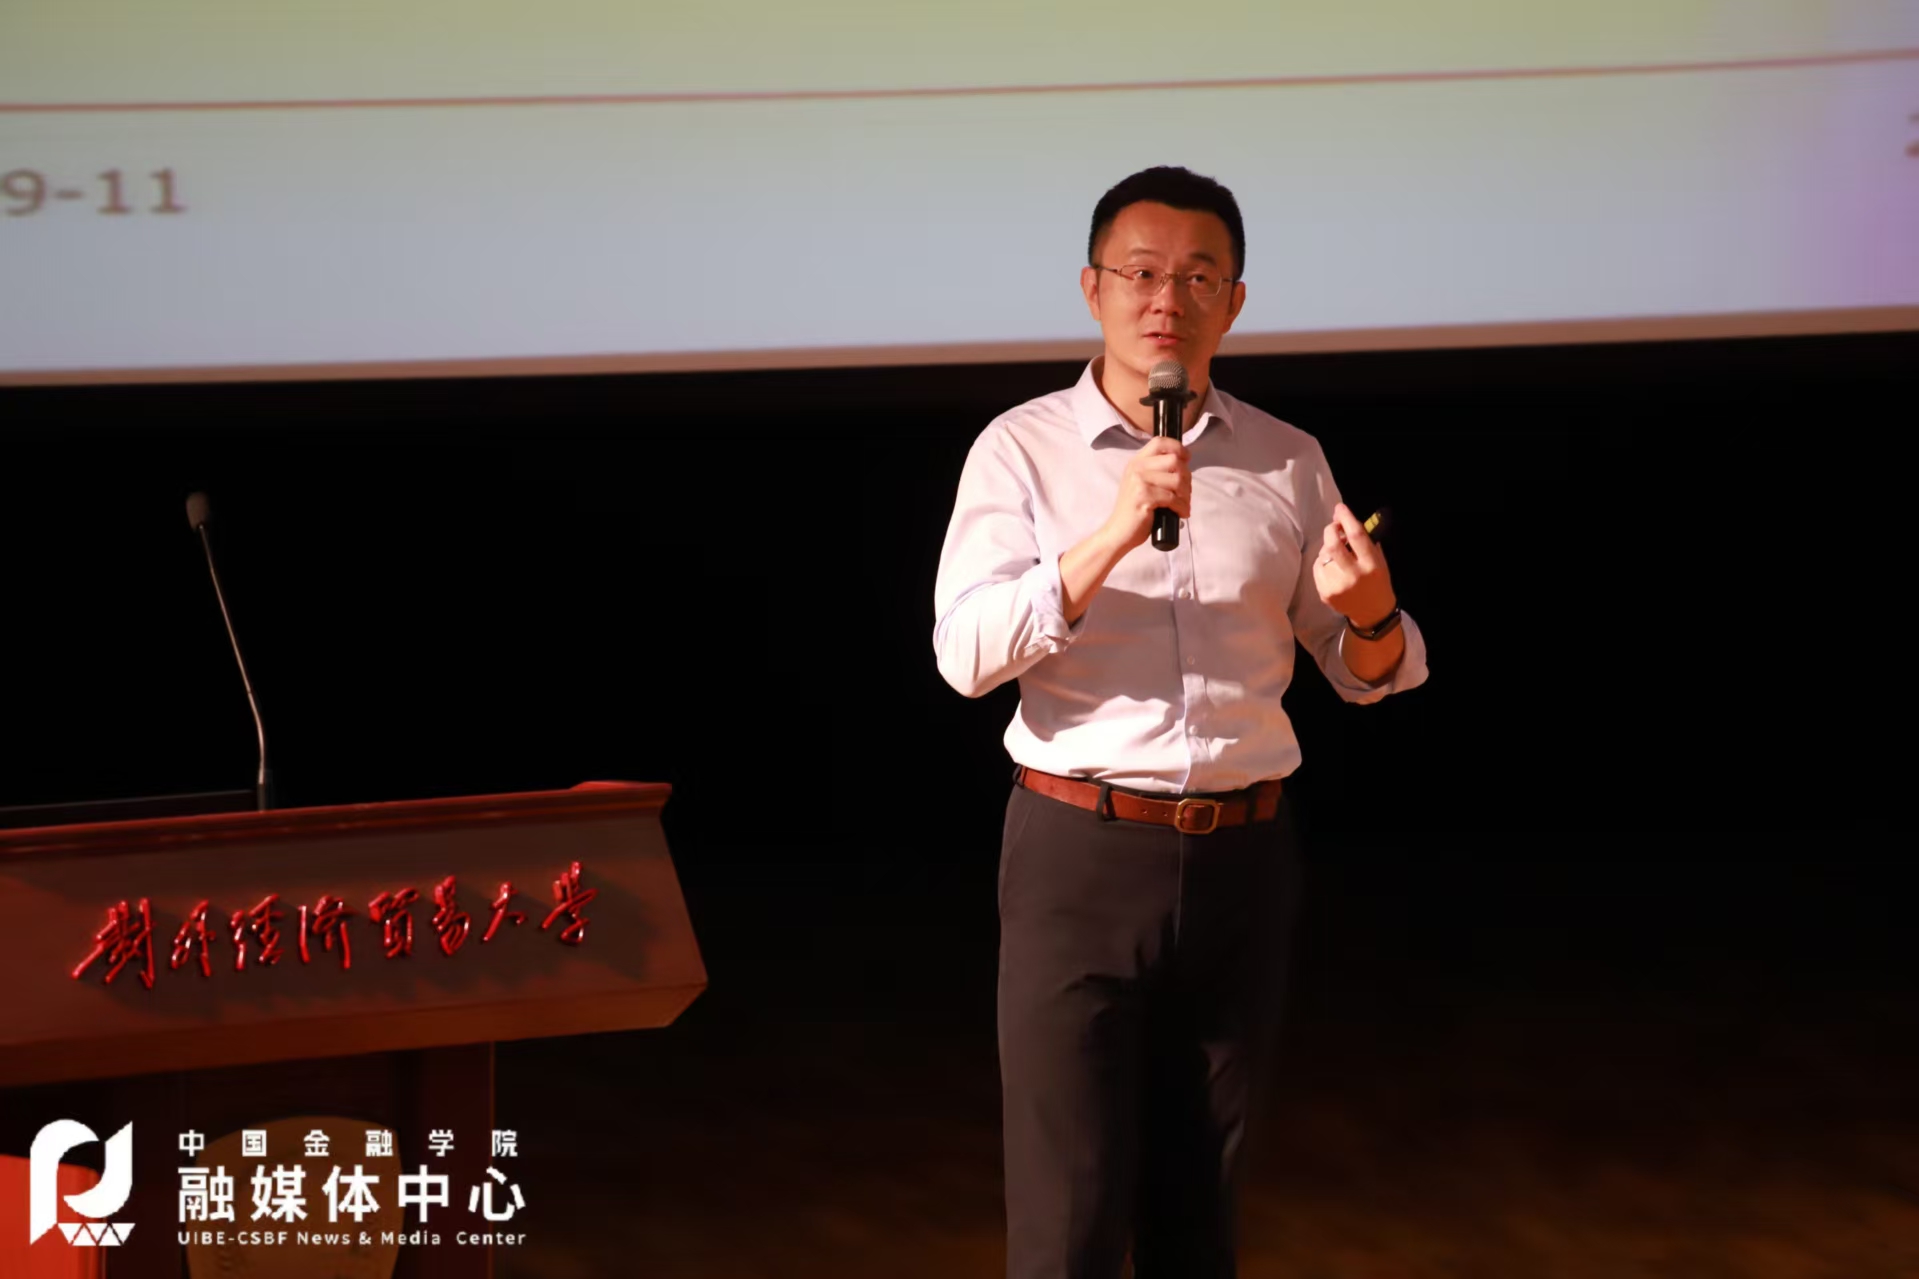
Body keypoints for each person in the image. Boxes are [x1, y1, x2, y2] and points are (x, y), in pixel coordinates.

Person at [932, 165, 1429, 1278]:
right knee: (1067, 1223)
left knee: (1199, 1217)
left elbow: (1366, 672)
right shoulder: (1019, 448)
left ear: (1234, 303)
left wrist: (1370, 613)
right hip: (1079, 851)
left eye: (1199, 277)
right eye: (1142, 273)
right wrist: (1110, 533)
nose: (1168, 299)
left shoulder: (1286, 458)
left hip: (1244, 857)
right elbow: (963, 656)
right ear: (1092, 289)